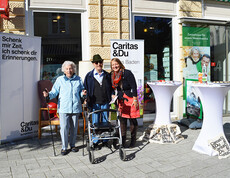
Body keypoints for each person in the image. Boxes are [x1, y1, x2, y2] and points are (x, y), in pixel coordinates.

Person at [43, 61, 87, 156]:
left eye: (70, 68)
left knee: (74, 128)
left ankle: (73, 145)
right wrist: (47, 95)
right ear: (64, 70)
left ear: (73, 69)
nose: (69, 70)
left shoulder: (78, 79)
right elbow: (54, 92)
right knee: (64, 128)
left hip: (75, 107)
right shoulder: (60, 80)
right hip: (63, 108)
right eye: (67, 69)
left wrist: (83, 94)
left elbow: (81, 92)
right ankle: (64, 147)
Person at [111, 58, 140, 148]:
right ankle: (122, 141)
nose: (114, 66)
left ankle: (133, 140)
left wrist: (135, 99)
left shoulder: (127, 73)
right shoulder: (112, 75)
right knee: (122, 120)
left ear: (120, 64)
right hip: (121, 99)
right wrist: (113, 95)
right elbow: (111, 88)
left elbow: (134, 86)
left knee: (132, 120)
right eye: (112, 65)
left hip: (131, 98)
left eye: (116, 64)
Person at [84, 54, 112, 144]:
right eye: (96, 62)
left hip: (105, 102)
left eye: (100, 62)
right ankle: (95, 141)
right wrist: (85, 98)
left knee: (105, 123)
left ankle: (105, 140)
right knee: (95, 123)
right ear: (93, 64)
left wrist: (112, 96)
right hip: (94, 103)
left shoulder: (107, 75)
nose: (99, 64)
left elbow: (111, 88)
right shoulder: (89, 76)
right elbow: (85, 89)